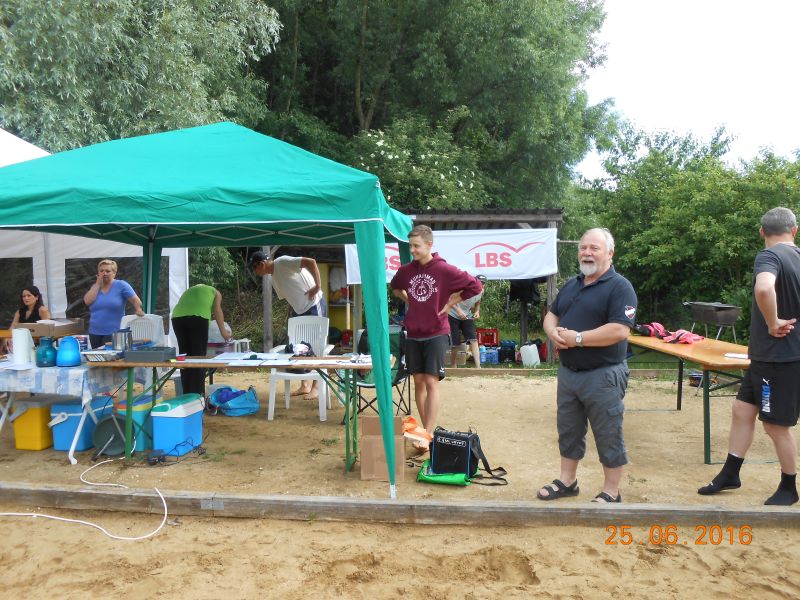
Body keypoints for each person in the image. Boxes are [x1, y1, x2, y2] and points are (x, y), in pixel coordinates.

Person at [698, 207, 800, 505]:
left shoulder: (768, 256)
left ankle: (788, 487)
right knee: (742, 410)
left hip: (778, 358)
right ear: (794, 230)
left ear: (761, 232)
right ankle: (731, 473)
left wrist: (773, 322)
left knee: (775, 425)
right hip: (767, 357)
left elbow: (765, 289)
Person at [537, 227, 637, 503]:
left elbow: (619, 330)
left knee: (608, 432)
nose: (587, 252)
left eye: (594, 248)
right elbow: (551, 315)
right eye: (584, 247)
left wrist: (577, 338)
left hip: (604, 375)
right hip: (569, 374)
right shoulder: (573, 284)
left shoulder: (620, 287)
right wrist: (553, 333)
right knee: (568, 429)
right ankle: (567, 481)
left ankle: (611, 491)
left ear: (610, 253)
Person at [390, 225, 483, 452]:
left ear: (429, 245)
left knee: (431, 382)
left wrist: (452, 302)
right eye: (410, 246)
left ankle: (428, 434)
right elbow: (395, 287)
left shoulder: (444, 270)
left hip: (436, 332)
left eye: (416, 246)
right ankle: (424, 431)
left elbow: (475, 286)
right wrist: (410, 300)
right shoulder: (407, 270)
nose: (412, 250)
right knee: (418, 382)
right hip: (413, 332)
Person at [248, 250, 326, 399]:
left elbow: (311, 262)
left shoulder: (282, 262)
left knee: (317, 344)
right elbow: (290, 295)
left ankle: (317, 386)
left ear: (262, 264)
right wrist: (292, 314)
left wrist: (317, 286)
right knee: (299, 347)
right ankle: (305, 384)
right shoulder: (273, 278)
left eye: (254, 267)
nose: (254, 271)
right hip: (299, 310)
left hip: (313, 304)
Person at [172, 284, 232, 398]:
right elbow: (218, 311)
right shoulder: (216, 293)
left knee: (185, 357)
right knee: (198, 358)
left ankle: (187, 396)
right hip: (198, 318)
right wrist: (224, 332)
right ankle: (198, 398)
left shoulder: (191, 290)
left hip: (177, 318)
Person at [83, 259, 144, 349]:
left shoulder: (121, 285)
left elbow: (136, 300)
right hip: (95, 332)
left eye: (108, 271)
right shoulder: (95, 287)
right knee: (97, 360)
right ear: (98, 273)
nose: (104, 273)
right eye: (102, 271)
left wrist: (138, 309)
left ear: (114, 273)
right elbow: (87, 301)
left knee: (111, 359)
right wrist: (97, 285)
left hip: (115, 332)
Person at [448, 274, 486, 368]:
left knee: (473, 339)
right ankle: (453, 365)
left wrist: (477, 311)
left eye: (483, 283)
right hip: (453, 314)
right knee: (455, 342)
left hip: (467, 316)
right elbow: (449, 300)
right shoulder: (464, 289)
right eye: (480, 282)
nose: (481, 284)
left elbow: (478, 302)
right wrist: (459, 311)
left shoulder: (481, 291)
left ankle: (478, 367)